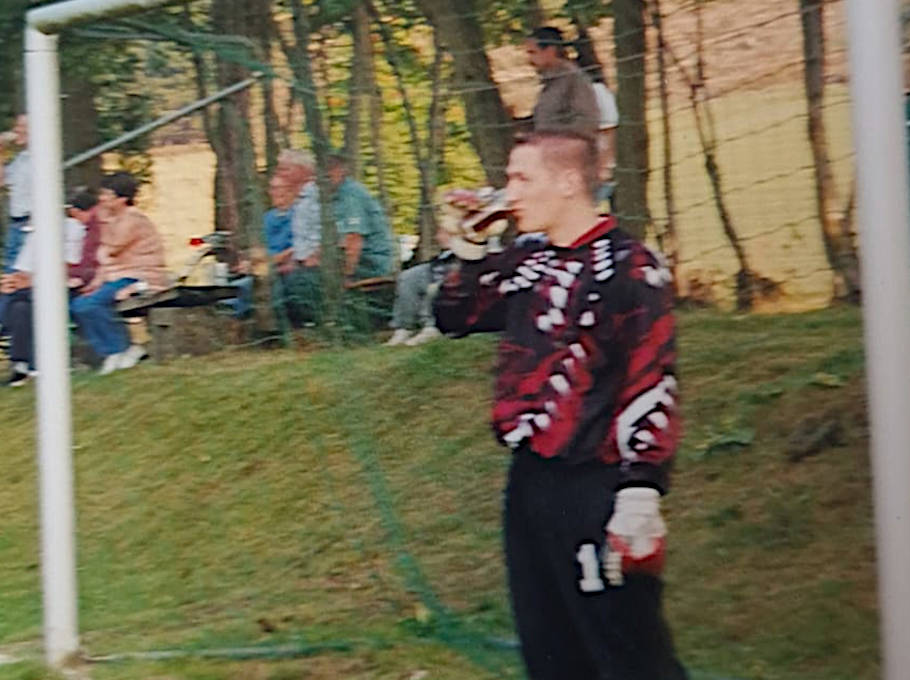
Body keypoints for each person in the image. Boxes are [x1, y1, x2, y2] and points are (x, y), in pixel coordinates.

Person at [433, 131, 687, 680]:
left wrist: (641, 488)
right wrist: (470, 250)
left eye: (522, 178)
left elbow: (652, 377)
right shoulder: (528, 260)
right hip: (531, 480)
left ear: (569, 182)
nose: (510, 192)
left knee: (625, 649)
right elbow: (455, 316)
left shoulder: (631, 267)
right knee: (546, 643)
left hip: (596, 480)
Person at [71, 172, 170, 375]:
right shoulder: (112, 218)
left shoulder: (132, 219)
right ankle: (112, 350)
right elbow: (105, 258)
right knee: (80, 305)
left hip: (139, 275)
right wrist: (96, 282)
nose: (102, 199)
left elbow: (110, 249)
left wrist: (103, 252)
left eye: (107, 195)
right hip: (117, 275)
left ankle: (120, 349)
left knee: (92, 304)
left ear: (122, 199)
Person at [1, 188, 93, 387]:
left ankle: (28, 363)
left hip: (64, 287)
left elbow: (69, 266)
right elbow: (22, 270)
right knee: (18, 306)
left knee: (20, 302)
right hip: (32, 289)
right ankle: (22, 364)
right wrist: (13, 281)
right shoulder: (35, 234)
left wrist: (32, 280)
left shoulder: (71, 229)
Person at [326, 153, 395, 282]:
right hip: (351, 262)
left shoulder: (351, 196)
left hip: (370, 264)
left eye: (331, 167)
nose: (325, 174)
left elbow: (353, 241)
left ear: (341, 169)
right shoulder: (330, 196)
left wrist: (346, 278)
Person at [384, 225, 454, 347]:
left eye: (444, 233)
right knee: (408, 277)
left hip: (464, 266)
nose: (438, 237)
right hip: (442, 264)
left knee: (437, 283)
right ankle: (404, 327)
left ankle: (432, 327)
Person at [526, 27, 600, 140]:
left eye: (533, 52)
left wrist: (555, 137)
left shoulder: (573, 79)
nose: (529, 60)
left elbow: (587, 120)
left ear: (550, 51)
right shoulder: (551, 81)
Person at [0, 114, 31, 274]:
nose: (15, 130)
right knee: (11, 272)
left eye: (21, 126)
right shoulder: (22, 158)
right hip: (17, 222)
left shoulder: (43, 158)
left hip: (31, 222)